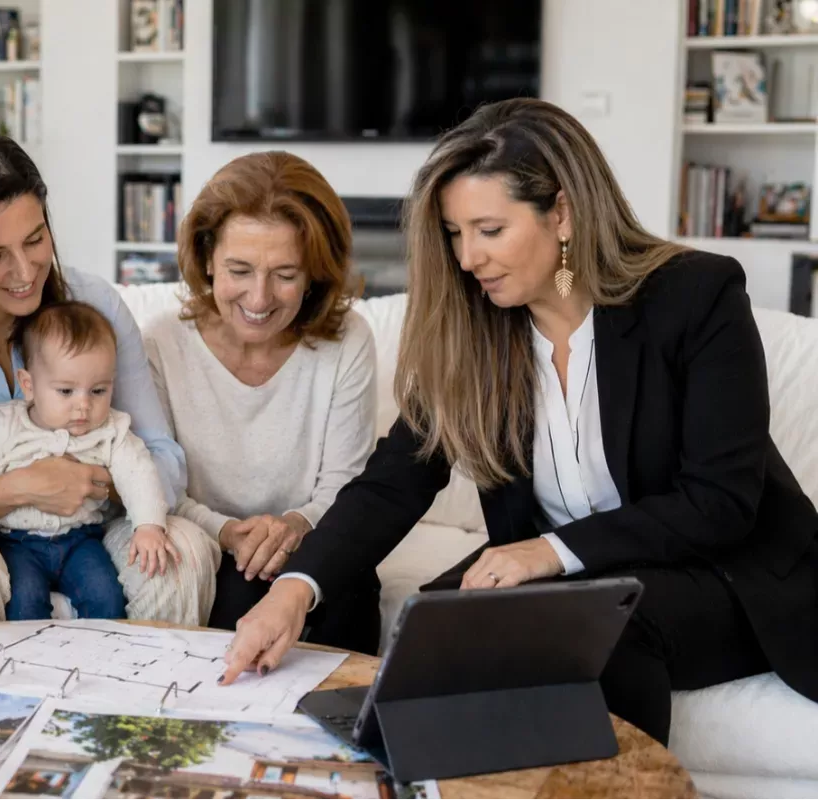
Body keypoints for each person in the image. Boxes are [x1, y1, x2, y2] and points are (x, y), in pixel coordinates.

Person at [220, 98, 818, 745]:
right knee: (431, 628)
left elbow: (719, 502)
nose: (469, 257)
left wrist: (548, 551)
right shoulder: (480, 326)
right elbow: (393, 483)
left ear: (560, 212)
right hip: (572, 575)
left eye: (489, 229)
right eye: (455, 233)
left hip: (724, 573)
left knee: (594, 624)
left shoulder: (695, 297)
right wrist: (293, 591)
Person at [0, 131, 218, 626]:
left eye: (35, 240)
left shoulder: (93, 305)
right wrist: (14, 491)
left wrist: (97, 485)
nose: (25, 270)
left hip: (93, 529)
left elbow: (164, 457)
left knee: (181, 555)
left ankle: (133, 701)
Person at [141, 152, 379, 652]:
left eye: (285, 274)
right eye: (240, 270)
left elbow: (344, 483)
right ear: (208, 258)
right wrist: (229, 533)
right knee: (232, 598)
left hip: (314, 538)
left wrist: (293, 527)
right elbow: (159, 483)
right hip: (211, 541)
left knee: (353, 584)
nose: (259, 297)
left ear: (314, 272)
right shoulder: (162, 342)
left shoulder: (348, 339)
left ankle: (346, 729)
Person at [0, 301, 180, 620]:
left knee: (107, 597)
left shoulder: (111, 430)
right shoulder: (3, 424)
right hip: (17, 543)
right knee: (24, 602)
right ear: (29, 385)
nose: (83, 406)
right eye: (66, 391)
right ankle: (31, 664)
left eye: (98, 390)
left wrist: (149, 525)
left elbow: (140, 474)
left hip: (80, 540)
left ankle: (101, 663)